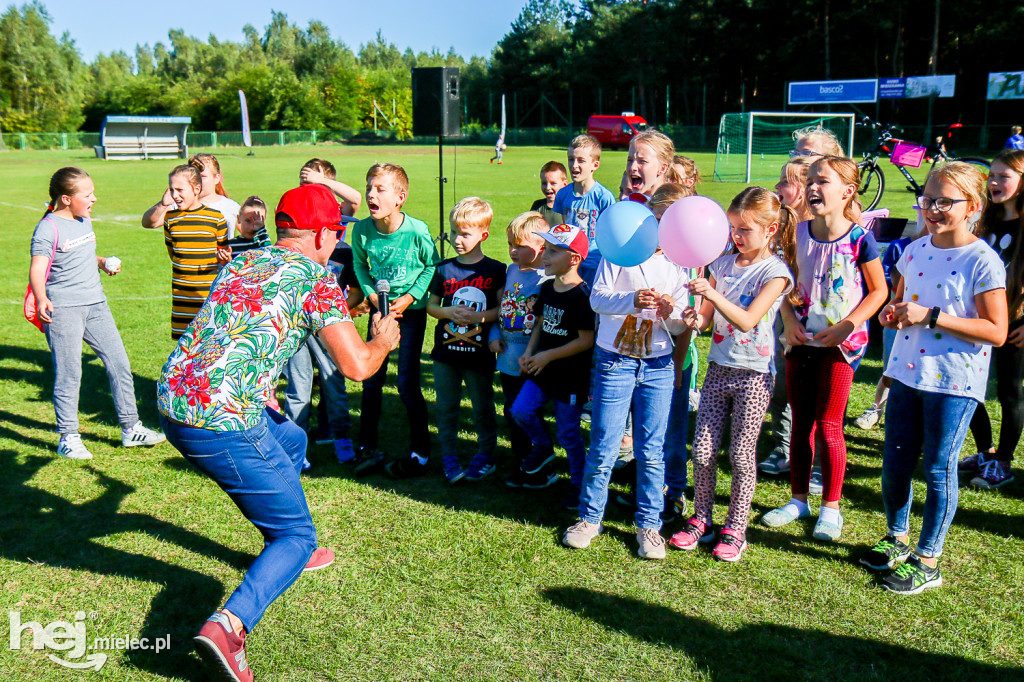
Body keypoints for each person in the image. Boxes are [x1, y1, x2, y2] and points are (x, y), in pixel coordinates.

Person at [158, 183, 400, 681]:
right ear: (317, 233)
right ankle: (229, 625)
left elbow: (239, 324)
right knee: (294, 533)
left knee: (291, 440)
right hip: (219, 418)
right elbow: (357, 367)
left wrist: (262, 376)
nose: (336, 240)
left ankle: (284, 529)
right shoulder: (316, 276)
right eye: (335, 231)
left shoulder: (246, 261)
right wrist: (382, 341)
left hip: (172, 396)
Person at [859, 162, 1007, 594]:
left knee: (938, 469)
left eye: (945, 202)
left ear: (972, 207)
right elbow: (902, 304)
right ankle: (897, 539)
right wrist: (893, 315)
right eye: (928, 199)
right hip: (908, 373)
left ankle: (928, 559)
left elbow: (996, 331)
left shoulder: (982, 261)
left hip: (953, 381)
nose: (933, 209)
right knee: (895, 464)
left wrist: (932, 316)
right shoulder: (914, 249)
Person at [762, 156, 887, 542]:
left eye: (824, 181)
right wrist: (791, 320)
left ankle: (830, 508)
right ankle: (798, 499)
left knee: (829, 424)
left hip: (841, 347)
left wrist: (848, 325)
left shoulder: (859, 239)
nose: (814, 187)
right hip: (801, 343)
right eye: (810, 180)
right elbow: (784, 285)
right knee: (801, 423)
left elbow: (879, 291)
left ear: (847, 191)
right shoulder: (796, 233)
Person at [670, 187, 795, 562]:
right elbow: (706, 321)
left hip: (755, 376)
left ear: (771, 229)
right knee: (704, 450)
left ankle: (736, 528)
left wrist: (712, 293)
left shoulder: (776, 273)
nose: (736, 236)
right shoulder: (721, 264)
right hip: (719, 370)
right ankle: (701, 519)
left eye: (745, 230)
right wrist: (694, 316)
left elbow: (747, 320)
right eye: (733, 228)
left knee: (742, 455)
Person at [562, 234, 689, 560]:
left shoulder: (679, 266)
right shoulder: (619, 255)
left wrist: (670, 312)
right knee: (604, 442)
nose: (661, 235)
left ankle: (649, 525)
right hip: (615, 362)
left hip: (658, 365)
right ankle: (589, 518)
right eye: (656, 224)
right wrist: (632, 299)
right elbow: (598, 300)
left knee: (651, 450)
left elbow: (677, 326)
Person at [28, 167, 165, 460]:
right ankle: (68, 437)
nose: (95, 198)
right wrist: (41, 299)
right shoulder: (48, 228)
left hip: (96, 305)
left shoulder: (83, 220)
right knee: (69, 374)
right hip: (64, 309)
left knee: (119, 364)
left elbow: (84, 253)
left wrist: (102, 262)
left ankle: (131, 428)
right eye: (87, 194)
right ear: (66, 198)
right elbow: (38, 268)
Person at [350, 162, 438, 477]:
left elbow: (432, 266)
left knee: (406, 383)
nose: (371, 194)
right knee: (371, 379)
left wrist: (411, 297)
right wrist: (372, 295)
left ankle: (420, 452)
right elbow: (360, 265)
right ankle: (366, 447)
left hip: (410, 314)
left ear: (400, 197)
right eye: (369, 187)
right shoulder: (360, 230)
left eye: (380, 189)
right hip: (379, 310)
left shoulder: (417, 230)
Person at [282, 159, 363, 467]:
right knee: (298, 387)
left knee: (333, 381)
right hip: (298, 324)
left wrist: (340, 311)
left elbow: (354, 199)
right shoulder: (299, 234)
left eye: (315, 187)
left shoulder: (342, 245)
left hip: (327, 325)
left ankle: (341, 437)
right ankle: (295, 448)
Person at [510, 223, 595, 506]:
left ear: (574, 259)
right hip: (541, 369)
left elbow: (586, 341)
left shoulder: (582, 297)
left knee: (569, 434)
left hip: (569, 377)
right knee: (520, 411)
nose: (544, 256)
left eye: (553, 251)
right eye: (545, 248)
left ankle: (578, 483)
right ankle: (544, 447)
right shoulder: (547, 288)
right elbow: (542, 323)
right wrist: (532, 352)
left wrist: (548, 355)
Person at [758, 154, 828, 484]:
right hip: (781, 319)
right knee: (782, 383)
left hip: (817, 323)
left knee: (816, 392)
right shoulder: (780, 226)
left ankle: (817, 459)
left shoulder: (819, 231)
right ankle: (784, 446)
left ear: (802, 190)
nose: (777, 187)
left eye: (784, 182)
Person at [958, 149, 1024, 489]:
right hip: (980, 319)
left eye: (1004, 176)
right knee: (972, 386)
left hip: (1015, 325)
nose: (994, 182)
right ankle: (985, 451)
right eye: (992, 176)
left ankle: (1004, 461)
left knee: (1010, 392)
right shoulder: (986, 221)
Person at [427, 197, 506, 482]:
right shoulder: (444, 268)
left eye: (465, 233)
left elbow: (501, 310)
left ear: (483, 235)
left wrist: (479, 317)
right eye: (453, 231)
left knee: (482, 407)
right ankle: (448, 455)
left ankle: (485, 454)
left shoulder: (496, 270)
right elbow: (431, 306)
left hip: (479, 355)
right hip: (445, 355)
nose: (457, 239)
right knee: (446, 407)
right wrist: (447, 311)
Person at [648, 183, 699, 523]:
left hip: (676, 361)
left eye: (661, 219)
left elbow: (690, 323)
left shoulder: (689, 262)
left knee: (674, 432)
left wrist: (678, 367)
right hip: (647, 355)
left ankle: (675, 493)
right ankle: (650, 493)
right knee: (652, 431)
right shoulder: (652, 255)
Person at [490, 212, 551, 481]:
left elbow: (542, 321)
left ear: (540, 247)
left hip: (531, 361)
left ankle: (541, 463)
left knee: (529, 413)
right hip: (507, 357)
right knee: (510, 410)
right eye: (510, 245)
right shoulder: (512, 269)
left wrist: (534, 354)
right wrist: (493, 333)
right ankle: (521, 461)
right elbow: (501, 306)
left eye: (519, 246)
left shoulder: (548, 277)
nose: (512, 251)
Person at [160, 163, 231, 340]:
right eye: (171, 190)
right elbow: (173, 254)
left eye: (179, 190)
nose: (175, 195)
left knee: (208, 342)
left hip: (207, 296)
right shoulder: (170, 218)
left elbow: (222, 257)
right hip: (181, 296)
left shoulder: (216, 218)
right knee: (183, 345)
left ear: (196, 189)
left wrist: (225, 259)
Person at [552, 134, 616, 287]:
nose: (574, 165)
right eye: (571, 159)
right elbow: (563, 227)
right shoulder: (562, 194)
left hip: (593, 262)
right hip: (568, 262)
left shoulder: (604, 197)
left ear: (595, 165)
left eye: (581, 161)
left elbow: (610, 234)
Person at [142, 154, 240, 235]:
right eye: (194, 177)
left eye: (202, 176)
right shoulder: (180, 204)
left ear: (216, 178)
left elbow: (249, 233)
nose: (198, 181)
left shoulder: (231, 207)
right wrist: (162, 205)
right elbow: (149, 223)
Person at [530, 160, 568, 227]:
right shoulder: (537, 206)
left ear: (565, 184)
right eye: (544, 183)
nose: (548, 187)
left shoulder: (568, 207)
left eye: (553, 183)